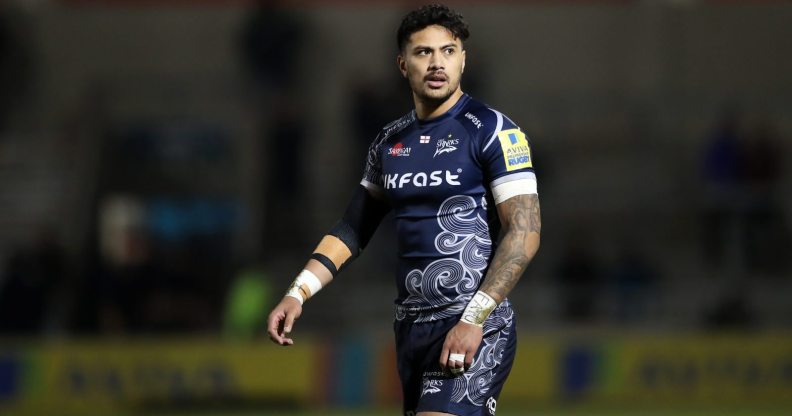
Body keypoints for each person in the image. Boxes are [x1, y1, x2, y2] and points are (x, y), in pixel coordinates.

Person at [267, 4, 541, 416]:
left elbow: (524, 231)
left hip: (474, 323)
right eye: (423, 52)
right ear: (402, 63)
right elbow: (353, 228)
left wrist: (475, 318)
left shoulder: (493, 131)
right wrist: (297, 292)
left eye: (448, 51)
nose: (437, 63)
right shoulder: (389, 142)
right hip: (411, 329)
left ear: (464, 60)